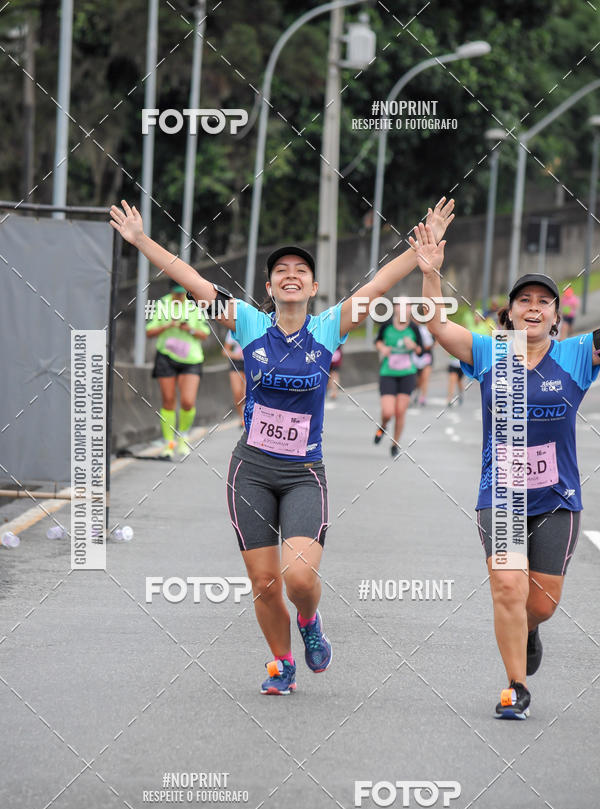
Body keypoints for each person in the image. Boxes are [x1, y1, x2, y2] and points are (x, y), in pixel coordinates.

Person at [110, 197, 455, 695]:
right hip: (250, 469)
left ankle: (310, 621)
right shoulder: (249, 324)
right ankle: (282, 661)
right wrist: (141, 241)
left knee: (297, 578)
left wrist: (419, 254)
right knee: (265, 584)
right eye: (281, 271)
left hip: (302, 475)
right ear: (269, 287)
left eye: (301, 270)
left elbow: (379, 284)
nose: (290, 275)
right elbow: (190, 278)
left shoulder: (328, 327)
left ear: (314, 287)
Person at [410, 221, 600, 720]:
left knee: (540, 604)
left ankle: (530, 629)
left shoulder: (578, 356)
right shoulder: (490, 352)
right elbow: (436, 325)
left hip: (558, 499)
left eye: (543, 301)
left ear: (557, 316)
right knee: (508, 588)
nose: (533, 308)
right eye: (524, 301)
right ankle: (516, 686)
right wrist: (430, 274)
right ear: (510, 313)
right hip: (503, 494)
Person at [145, 285, 211, 458]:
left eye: (183, 295)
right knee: (168, 400)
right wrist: (167, 326)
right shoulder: (162, 304)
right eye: (176, 294)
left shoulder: (195, 305)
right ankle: (169, 443)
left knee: (188, 401)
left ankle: (183, 436)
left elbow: (204, 334)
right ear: (171, 293)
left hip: (191, 359)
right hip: (166, 357)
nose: (179, 298)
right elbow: (149, 331)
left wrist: (188, 328)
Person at [373, 307, 421, 457]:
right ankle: (383, 426)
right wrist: (383, 348)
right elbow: (378, 341)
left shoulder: (413, 328)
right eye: (401, 307)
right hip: (388, 372)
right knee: (388, 412)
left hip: (407, 373)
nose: (404, 310)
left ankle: (395, 443)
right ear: (395, 309)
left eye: (407, 307)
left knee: (400, 411)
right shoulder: (387, 325)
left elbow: (420, 350)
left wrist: (413, 346)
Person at [223, 329, 246, 424]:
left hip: (250, 361)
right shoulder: (233, 330)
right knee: (237, 393)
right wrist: (234, 355)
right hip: (236, 363)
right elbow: (225, 350)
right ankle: (242, 418)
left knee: (246, 393)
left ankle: (248, 416)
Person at [411, 321, 434, 406]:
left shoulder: (425, 329)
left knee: (425, 378)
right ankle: (415, 393)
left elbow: (431, 343)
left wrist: (421, 348)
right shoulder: (410, 329)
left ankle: (423, 397)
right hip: (414, 357)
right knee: (416, 380)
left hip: (426, 356)